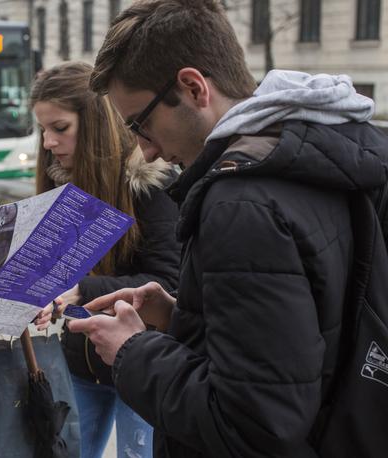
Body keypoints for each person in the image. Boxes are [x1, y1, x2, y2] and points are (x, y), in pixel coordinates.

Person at [67, 1, 388, 457]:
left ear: (194, 87)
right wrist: (184, 316)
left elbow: (253, 422)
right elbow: (309, 337)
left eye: (141, 124)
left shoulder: (240, 202)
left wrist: (132, 351)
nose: (147, 151)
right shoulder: (324, 147)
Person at [31, 61, 182, 458]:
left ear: (96, 123)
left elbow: (168, 280)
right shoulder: (62, 185)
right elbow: (55, 271)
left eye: (59, 128)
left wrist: (83, 290)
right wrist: (45, 297)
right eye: (42, 130)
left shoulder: (149, 182)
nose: (47, 142)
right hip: (80, 363)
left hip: (145, 359)